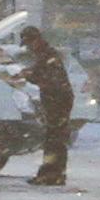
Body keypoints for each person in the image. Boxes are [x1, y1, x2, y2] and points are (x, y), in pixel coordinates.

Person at [19, 21, 77, 189]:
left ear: (35, 40)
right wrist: (29, 74)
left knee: (55, 138)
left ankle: (53, 174)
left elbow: (48, 78)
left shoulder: (48, 55)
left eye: (29, 44)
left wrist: (28, 75)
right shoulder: (45, 54)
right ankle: (50, 173)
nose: (28, 48)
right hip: (56, 99)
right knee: (54, 138)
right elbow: (41, 74)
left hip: (58, 100)